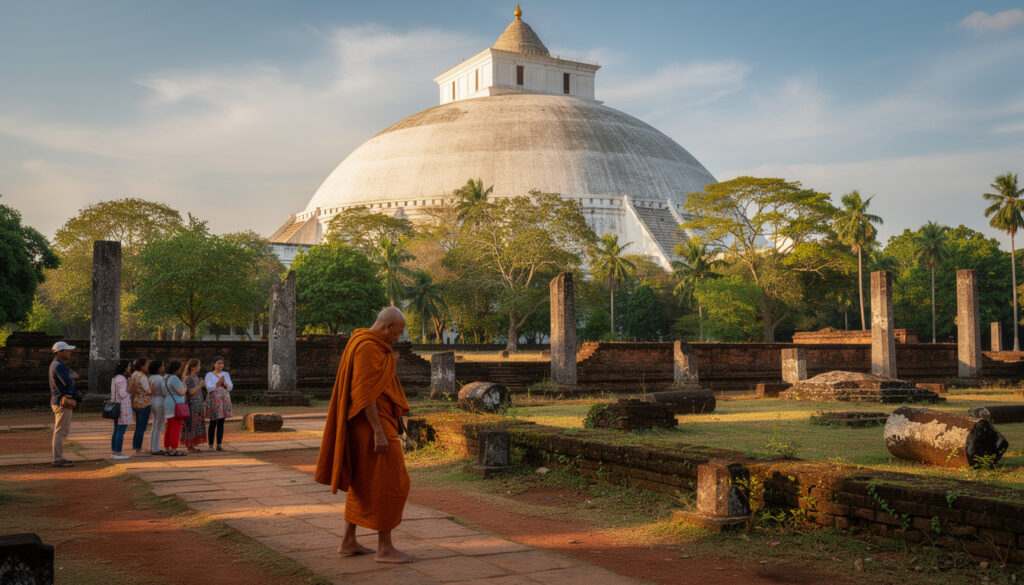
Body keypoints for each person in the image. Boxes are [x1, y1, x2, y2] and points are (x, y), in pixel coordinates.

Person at [315, 307, 415, 564]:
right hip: (373, 426)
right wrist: (379, 433)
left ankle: (348, 541)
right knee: (392, 481)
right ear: (387, 326)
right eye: (398, 332)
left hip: (371, 424)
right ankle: (385, 548)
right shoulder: (368, 347)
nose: (398, 337)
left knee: (363, 482)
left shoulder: (361, 341)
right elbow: (365, 394)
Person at [48, 341, 80, 468]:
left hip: (59, 400)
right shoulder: (59, 366)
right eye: (67, 350)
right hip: (62, 401)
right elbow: (68, 381)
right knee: (61, 432)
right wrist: (72, 377)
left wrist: (72, 376)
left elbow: (74, 376)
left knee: (61, 431)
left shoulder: (58, 364)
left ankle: (58, 457)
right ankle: (57, 458)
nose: (69, 352)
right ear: (59, 352)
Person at [204, 356, 233, 451]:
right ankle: (210, 445)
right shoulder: (209, 375)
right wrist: (218, 383)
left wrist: (224, 384)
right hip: (214, 400)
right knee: (213, 422)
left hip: (224, 399)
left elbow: (230, 387)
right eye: (218, 363)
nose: (221, 365)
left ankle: (219, 444)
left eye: (222, 363)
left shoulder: (226, 374)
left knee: (221, 422)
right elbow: (208, 388)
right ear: (214, 364)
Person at [128, 358, 153, 457]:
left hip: (136, 402)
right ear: (142, 366)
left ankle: (136, 448)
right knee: (141, 428)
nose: (148, 367)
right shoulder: (142, 376)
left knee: (138, 427)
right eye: (147, 364)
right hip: (143, 403)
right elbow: (148, 391)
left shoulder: (134, 374)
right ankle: (138, 450)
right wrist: (152, 386)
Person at [181, 359, 207, 453]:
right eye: (198, 365)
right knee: (191, 425)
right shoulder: (188, 378)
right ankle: (189, 446)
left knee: (196, 425)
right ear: (193, 367)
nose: (200, 367)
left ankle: (192, 445)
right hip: (191, 405)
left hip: (198, 404)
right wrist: (200, 385)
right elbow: (191, 392)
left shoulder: (196, 377)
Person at [162, 361, 187, 456]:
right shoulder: (174, 378)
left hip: (168, 403)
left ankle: (167, 448)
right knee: (176, 428)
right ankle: (173, 449)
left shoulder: (165, 377)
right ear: (177, 369)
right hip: (176, 405)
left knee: (169, 427)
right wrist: (185, 389)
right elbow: (181, 392)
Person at [110, 359, 133, 460]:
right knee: (121, 431)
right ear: (125, 368)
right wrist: (130, 385)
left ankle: (114, 452)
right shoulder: (122, 379)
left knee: (116, 430)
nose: (130, 368)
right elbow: (123, 394)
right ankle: (118, 452)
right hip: (123, 406)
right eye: (129, 366)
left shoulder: (115, 378)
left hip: (116, 405)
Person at [148, 360, 166, 455]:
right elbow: (164, 392)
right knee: (159, 426)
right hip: (160, 401)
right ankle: (155, 448)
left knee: (154, 425)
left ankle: (152, 447)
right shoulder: (160, 378)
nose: (163, 368)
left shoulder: (150, 377)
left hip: (152, 400)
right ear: (158, 368)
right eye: (162, 366)